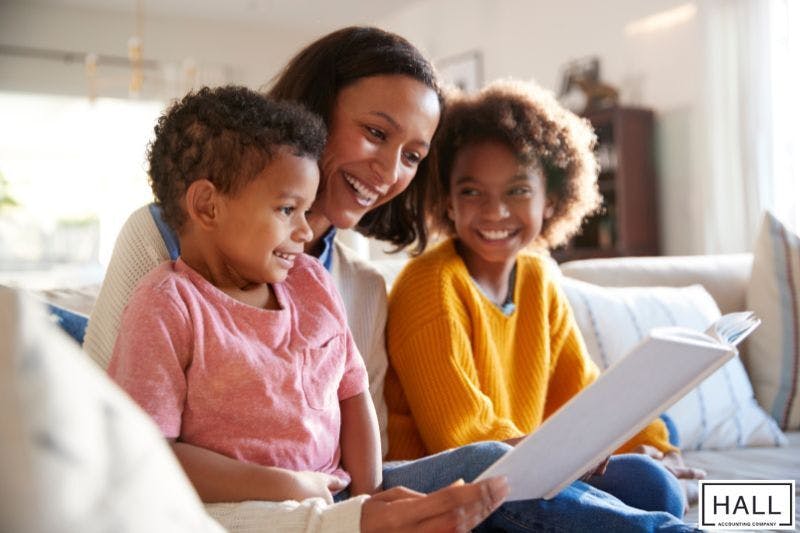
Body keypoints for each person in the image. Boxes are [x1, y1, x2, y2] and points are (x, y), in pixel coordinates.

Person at [87, 26, 696, 532]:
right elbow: (115, 446)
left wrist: (367, 499)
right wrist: (332, 511)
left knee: (647, 480)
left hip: (343, 485)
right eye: (376, 133)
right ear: (313, 118)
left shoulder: (355, 282)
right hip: (244, 499)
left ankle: (746, 515)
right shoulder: (164, 248)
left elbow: (361, 438)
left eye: (412, 155)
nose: (388, 172)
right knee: (508, 472)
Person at [107, 85, 509, 532]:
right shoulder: (167, 305)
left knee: (496, 465)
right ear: (207, 205)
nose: (304, 231)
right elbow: (150, 452)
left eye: (306, 209)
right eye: (287, 209)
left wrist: (369, 495)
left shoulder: (311, 282)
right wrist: (286, 487)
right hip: (243, 508)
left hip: (338, 490)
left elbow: (352, 393)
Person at [384, 79, 705, 530]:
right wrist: (565, 463)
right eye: (473, 192)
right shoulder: (430, 284)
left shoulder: (538, 278)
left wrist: (657, 446)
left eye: (517, 190)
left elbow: (583, 393)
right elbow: (463, 438)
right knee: (516, 474)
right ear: (448, 203)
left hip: (529, 467)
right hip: (454, 488)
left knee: (655, 484)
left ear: (550, 200)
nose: (495, 212)